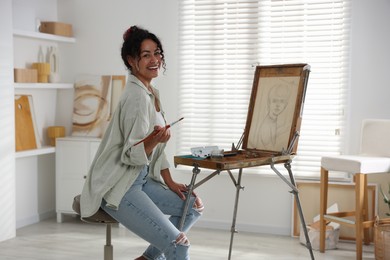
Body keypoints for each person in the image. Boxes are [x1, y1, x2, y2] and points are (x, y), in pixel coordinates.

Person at [80, 25, 204, 260]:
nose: (154, 59)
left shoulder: (150, 92)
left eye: (157, 53)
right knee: (179, 245)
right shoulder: (137, 97)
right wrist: (154, 141)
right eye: (145, 55)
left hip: (140, 179)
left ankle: (148, 258)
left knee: (193, 206)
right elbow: (130, 154)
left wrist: (170, 181)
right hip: (119, 185)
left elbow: (155, 149)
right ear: (131, 61)